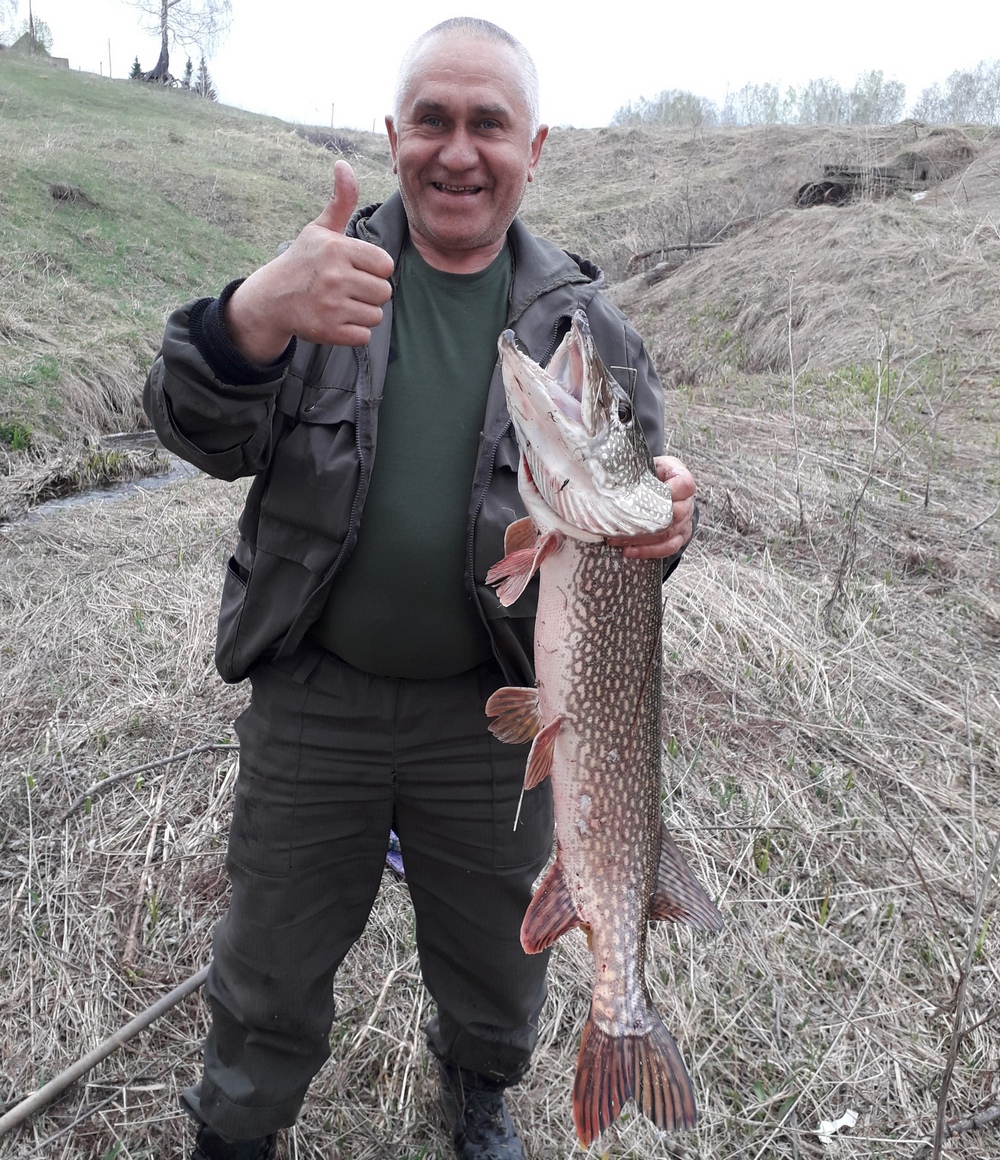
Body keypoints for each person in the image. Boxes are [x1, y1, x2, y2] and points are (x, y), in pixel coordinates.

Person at [144, 18, 697, 1160]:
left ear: (531, 147)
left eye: (486, 123)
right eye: (432, 121)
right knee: (269, 954)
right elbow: (193, 427)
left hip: (491, 711)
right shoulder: (323, 278)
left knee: (501, 958)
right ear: (395, 137)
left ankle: (481, 1084)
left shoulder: (589, 334)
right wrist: (249, 317)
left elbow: (626, 531)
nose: (458, 150)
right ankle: (237, 1124)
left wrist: (667, 527)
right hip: (316, 697)